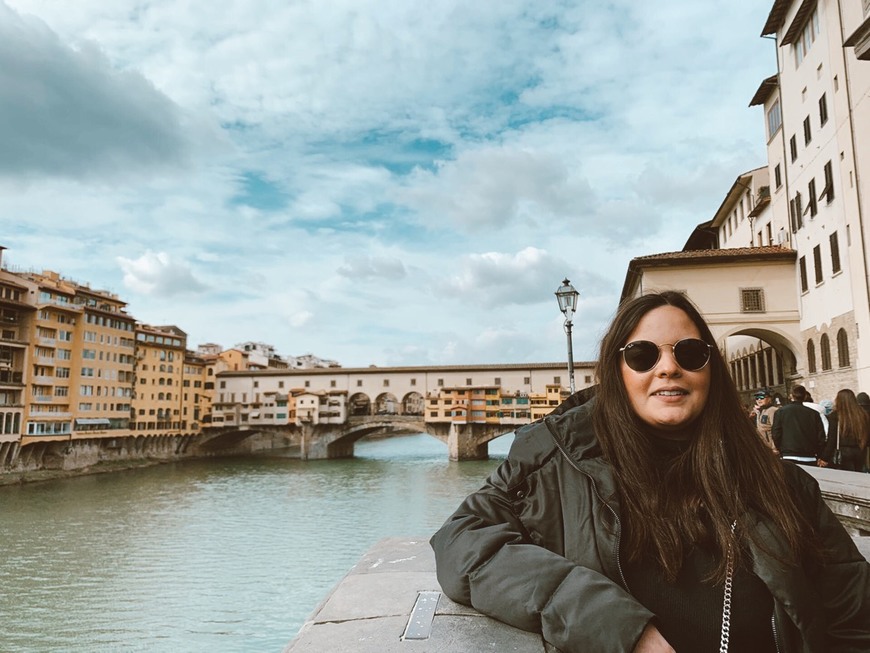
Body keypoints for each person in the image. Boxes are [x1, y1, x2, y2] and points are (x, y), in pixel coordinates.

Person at [430, 291, 870, 652]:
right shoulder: (554, 467)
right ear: (616, 372)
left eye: (691, 353)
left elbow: (853, 620)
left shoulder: (784, 487)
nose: (668, 366)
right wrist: (610, 622)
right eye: (642, 355)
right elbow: (461, 539)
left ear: (710, 370)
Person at [771, 385, 825, 466]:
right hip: (809, 456)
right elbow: (821, 437)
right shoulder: (814, 414)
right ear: (804, 396)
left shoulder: (781, 412)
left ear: (791, 396)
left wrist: (781, 449)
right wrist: (819, 454)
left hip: (788, 455)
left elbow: (776, 433)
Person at [818, 389, 870, 472]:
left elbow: (832, 439)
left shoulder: (835, 416)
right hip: (860, 451)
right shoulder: (862, 414)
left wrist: (825, 457)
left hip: (843, 453)